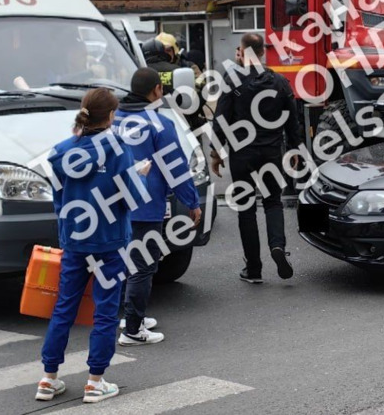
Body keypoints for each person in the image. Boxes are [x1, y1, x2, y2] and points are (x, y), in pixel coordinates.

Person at [37, 88, 150, 404]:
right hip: (109, 241)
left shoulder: (61, 153)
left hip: (74, 239)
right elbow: (132, 199)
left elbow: (59, 201)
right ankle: (95, 381)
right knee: (105, 310)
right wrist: (139, 174)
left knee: (64, 307)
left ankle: (48, 379)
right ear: (111, 116)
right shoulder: (118, 150)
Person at [114, 68, 202, 346]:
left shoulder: (112, 119)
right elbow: (174, 166)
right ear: (156, 91)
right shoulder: (159, 123)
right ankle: (133, 330)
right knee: (143, 266)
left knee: (125, 262)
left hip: (114, 204)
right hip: (146, 204)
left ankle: (128, 316)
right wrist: (192, 202)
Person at [211, 32, 302, 284]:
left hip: (242, 156)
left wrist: (215, 152)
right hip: (271, 154)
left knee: (246, 210)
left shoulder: (232, 80)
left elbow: (221, 119)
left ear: (243, 52)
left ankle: (253, 269)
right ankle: (278, 247)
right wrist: (295, 148)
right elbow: (292, 122)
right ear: (263, 52)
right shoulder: (280, 82)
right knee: (273, 202)